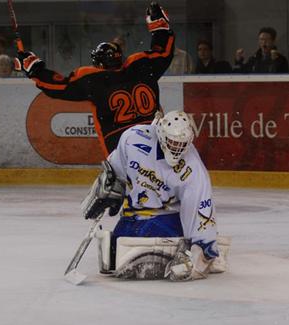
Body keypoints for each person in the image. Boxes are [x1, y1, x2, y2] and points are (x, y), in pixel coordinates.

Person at [14, 2, 175, 156]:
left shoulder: (93, 80)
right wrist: (160, 28)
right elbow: (163, 52)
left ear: (99, 63)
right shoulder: (142, 65)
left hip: (120, 150)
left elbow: (59, 87)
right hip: (155, 141)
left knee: (122, 182)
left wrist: (34, 68)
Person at [85, 110, 224, 281]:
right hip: (133, 216)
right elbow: (115, 170)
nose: (177, 148)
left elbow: (200, 211)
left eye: (181, 144)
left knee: (126, 260)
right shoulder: (132, 138)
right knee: (112, 253)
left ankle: (191, 246)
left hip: (167, 217)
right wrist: (110, 190)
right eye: (172, 142)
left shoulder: (192, 170)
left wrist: (202, 249)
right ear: (161, 134)